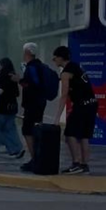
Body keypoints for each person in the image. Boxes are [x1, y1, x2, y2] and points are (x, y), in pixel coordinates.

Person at [53, 46, 98, 174]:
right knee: (84, 136)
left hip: (82, 105)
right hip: (92, 104)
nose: (54, 61)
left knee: (69, 134)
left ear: (60, 58)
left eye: (54, 58)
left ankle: (76, 163)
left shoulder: (66, 72)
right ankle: (84, 164)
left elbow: (64, 95)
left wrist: (57, 117)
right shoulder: (76, 67)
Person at [15, 42, 47, 172]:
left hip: (33, 104)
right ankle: (36, 158)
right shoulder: (39, 66)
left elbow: (33, 85)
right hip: (39, 103)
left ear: (27, 52)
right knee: (34, 130)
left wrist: (19, 80)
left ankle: (35, 159)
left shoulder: (32, 67)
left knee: (28, 131)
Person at [0, 58, 25, 158]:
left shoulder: (3, 76)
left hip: (1, 108)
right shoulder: (12, 76)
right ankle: (15, 148)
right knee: (10, 130)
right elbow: (17, 93)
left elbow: (0, 89)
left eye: (0, 65)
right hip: (12, 109)